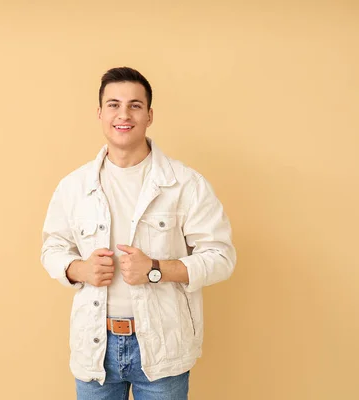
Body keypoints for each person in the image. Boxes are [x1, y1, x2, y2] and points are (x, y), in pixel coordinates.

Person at [41, 66, 236, 400]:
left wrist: (156, 269)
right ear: (100, 113)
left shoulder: (185, 183)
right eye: (114, 104)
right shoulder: (73, 186)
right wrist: (80, 269)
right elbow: (52, 248)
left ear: (149, 115)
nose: (123, 114)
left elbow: (221, 258)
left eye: (134, 105)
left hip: (162, 348)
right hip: (94, 347)